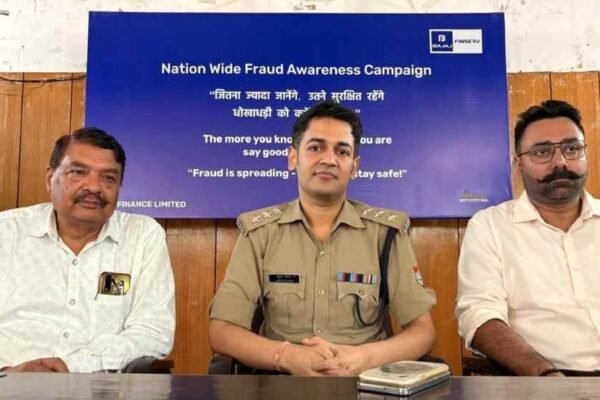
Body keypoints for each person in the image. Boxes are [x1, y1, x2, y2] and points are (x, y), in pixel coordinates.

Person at [209, 101, 436, 376]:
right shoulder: (260, 233)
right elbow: (221, 331)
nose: (329, 159)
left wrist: (363, 358)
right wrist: (287, 356)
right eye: (316, 147)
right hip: (279, 382)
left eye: (342, 151)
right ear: (293, 158)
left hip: (364, 382)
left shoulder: (385, 233)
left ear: (354, 166)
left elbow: (423, 331)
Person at [0, 127, 175, 373]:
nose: (94, 187)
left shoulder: (141, 236)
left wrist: (73, 366)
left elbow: (154, 331)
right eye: (78, 172)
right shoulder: (6, 231)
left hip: (96, 385)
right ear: (50, 178)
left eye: (108, 178)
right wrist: (10, 372)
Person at [456, 99, 600, 376]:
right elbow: (479, 315)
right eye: (542, 152)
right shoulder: (490, 227)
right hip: (541, 380)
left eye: (572, 149)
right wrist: (545, 376)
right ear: (519, 164)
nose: (560, 162)